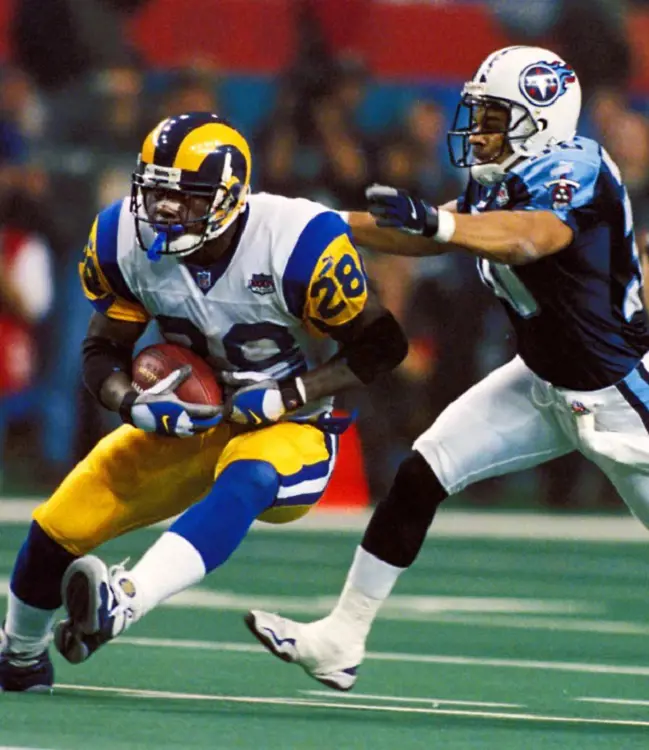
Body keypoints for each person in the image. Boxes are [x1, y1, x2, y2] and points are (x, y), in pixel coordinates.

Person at [244, 45, 649, 692]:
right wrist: (315, 225)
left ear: (538, 115)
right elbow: (438, 232)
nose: (479, 128)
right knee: (422, 471)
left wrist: (436, 222)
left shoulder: (574, 166)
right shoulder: (505, 171)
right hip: (540, 380)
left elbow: (529, 236)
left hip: (617, 395)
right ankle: (340, 638)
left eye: (493, 115)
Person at [0, 112, 408, 692]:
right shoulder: (124, 239)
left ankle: (127, 600)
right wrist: (131, 404)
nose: (164, 211)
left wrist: (292, 392)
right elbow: (101, 351)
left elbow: (383, 344)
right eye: (156, 192)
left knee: (247, 478)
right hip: (190, 420)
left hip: (289, 426)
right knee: (64, 519)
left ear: (230, 197)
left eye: (184, 198)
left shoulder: (294, 241)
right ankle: (19, 654)